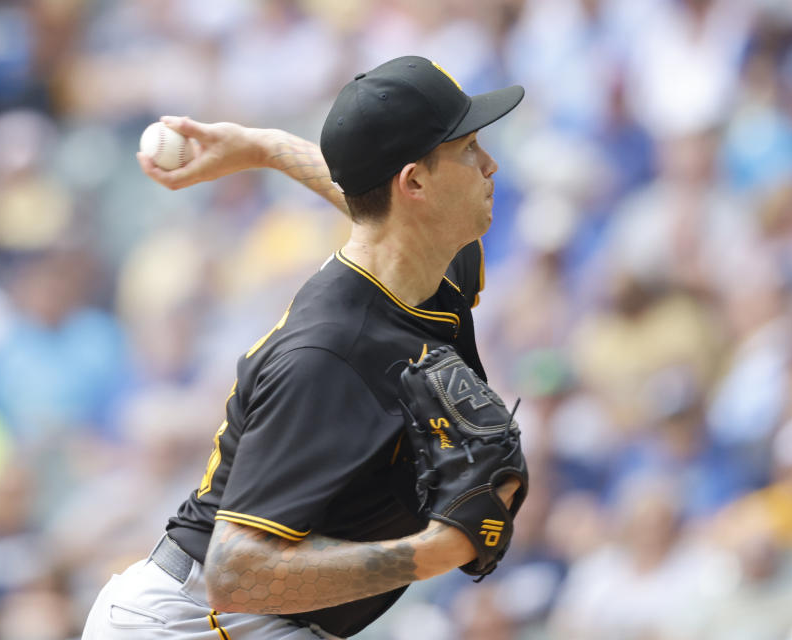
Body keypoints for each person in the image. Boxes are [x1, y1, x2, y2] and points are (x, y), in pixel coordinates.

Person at [81, 55, 524, 640]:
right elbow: (237, 573)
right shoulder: (331, 354)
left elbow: (374, 200)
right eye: (468, 148)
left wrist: (268, 148)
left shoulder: (434, 260)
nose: (489, 163)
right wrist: (438, 550)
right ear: (416, 182)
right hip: (195, 622)